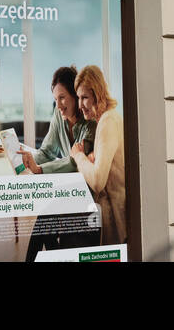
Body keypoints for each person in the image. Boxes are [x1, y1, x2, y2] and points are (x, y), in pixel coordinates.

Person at [70, 65, 125, 245]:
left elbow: (98, 182)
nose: (80, 105)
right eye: (78, 98)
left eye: (84, 97)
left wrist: (79, 156)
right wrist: (94, 157)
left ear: (98, 94)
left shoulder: (107, 121)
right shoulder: (109, 118)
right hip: (112, 216)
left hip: (115, 220)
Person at [21, 65, 95, 175]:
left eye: (62, 98)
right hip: (67, 182)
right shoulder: (58, 114)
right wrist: (26, 162)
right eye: (56, 99)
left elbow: (76, 162)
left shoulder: (91, 122)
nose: (58, 105)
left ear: (75, 95)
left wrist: (39, 169)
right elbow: (47, 153)